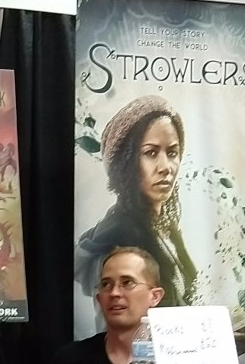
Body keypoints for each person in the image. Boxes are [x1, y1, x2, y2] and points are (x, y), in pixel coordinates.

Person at [75, 95, 197, 314]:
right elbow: (119, 324)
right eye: (151, 153)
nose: (165, 167)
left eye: (172, 153)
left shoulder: (163, 224)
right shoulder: (121, 235)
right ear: (127, 163)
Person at [51, 246, 164, 364]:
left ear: (155, 296)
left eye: (127, 282)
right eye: (106, 284)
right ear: (99, 299)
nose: (114, 293)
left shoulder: (174, 363)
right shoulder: (69, 360)